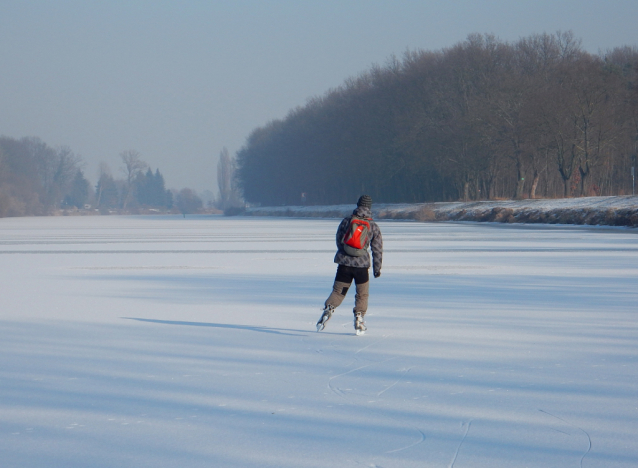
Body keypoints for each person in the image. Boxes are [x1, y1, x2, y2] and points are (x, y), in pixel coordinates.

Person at [316, 195, 383, 335]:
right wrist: (377, 269)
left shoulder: (347, 221)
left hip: (344, 265)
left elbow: (339, 239)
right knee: (362, 295)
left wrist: (343, 252)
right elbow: (377, 249)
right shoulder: (373, 226)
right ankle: (359, 318)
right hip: (362, 266)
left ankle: (329, 308)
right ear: (369, 207)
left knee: (338, 291)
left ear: (357, 204)